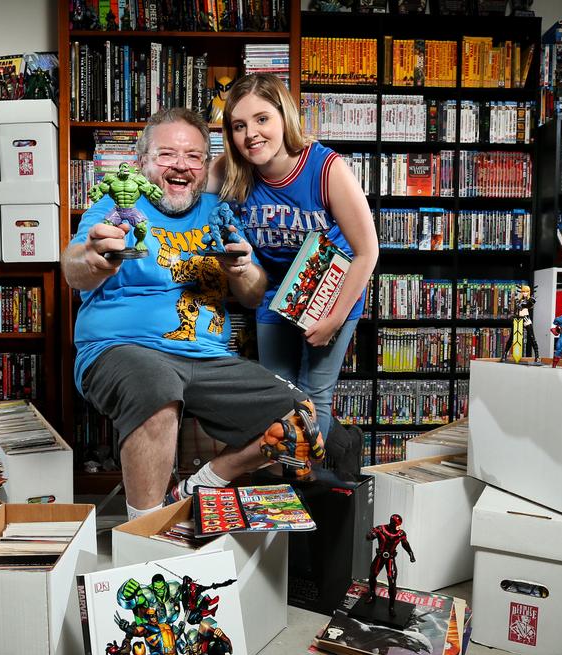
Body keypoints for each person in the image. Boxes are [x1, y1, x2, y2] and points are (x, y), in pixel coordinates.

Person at [61, 107, 323, 520]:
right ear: (141, 163)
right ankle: (144, 536)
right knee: (156, 388)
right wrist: (95, 256)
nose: (180, 165)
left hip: (208, 357)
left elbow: (254, 296)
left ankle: (202, 484)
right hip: (121, 350)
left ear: (205, 165)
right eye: (166, 155)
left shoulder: (218, 210)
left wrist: (243, 268)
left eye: (194, 156)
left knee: (301, 421)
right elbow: (73, 267)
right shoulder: (115, 206)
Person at [213, 73, 378, 471]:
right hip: (274, 290)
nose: (251, 134)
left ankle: (305, 484)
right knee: (278, 394)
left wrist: (335, 318)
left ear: (284, 116)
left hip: (331, 289)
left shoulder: (325, 168)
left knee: (315, 394)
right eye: (239, 125)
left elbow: (367, 251)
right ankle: (300, 469)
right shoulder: (231, 170)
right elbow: (177, 190)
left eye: (262, 119)